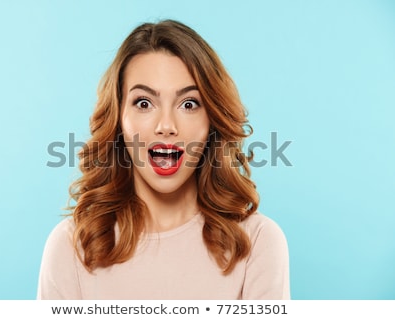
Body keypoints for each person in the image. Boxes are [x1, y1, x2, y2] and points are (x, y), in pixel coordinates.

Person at [37, 19, 290, 300]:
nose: (166, 125)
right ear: (118, 119)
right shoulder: (71, 247)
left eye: (189, 104)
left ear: (212, 122)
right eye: (144, 103)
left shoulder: (257, 242)